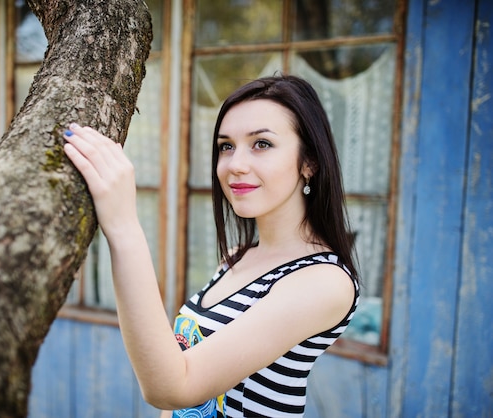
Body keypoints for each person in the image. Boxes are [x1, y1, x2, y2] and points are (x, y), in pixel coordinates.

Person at [63, 74, 359, 417]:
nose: (235, 165)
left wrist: (123, 227)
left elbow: (174, 388)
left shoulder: (322, 281)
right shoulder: (238, 257)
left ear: (309, 162)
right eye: (226, 146)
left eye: (261, 143)